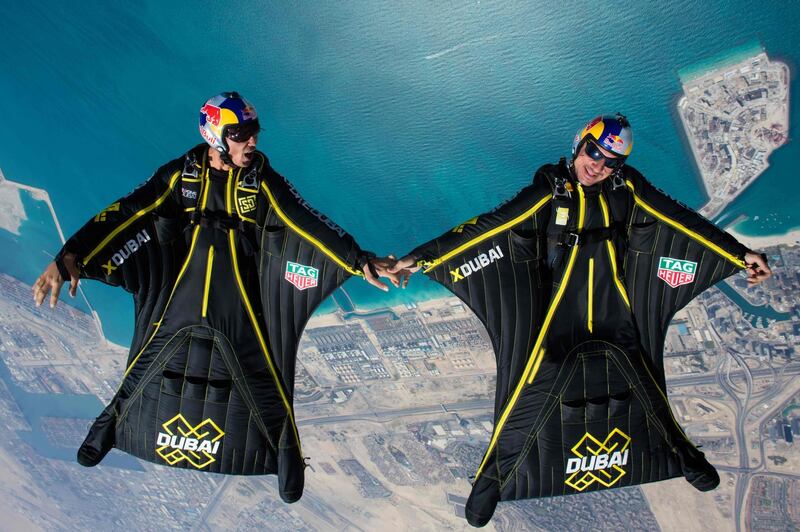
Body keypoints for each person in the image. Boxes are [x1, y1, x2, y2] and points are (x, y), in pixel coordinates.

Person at [389, 114, 771, 527]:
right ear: (579, 144)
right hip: (558, 320)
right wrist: (419, 258)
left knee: (648, 393)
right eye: (595, 152)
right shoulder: (550, 191)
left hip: (615, 314)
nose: (599, 166)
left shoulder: (628, 188)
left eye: (612, 162)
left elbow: (682, 220)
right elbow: (489, 225)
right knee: (525, 403)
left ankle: (688, 460)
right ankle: (491, 484)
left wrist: (739, 253)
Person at [32, 91, 400, 503]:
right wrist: (69, 258)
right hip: (180, 290)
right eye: (241, 134)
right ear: (216, 135)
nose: (253, 142)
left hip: (241, 297)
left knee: (263, 377)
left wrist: (358, 260)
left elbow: (306, 219)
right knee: (146, 364)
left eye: (254, 133)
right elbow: (126, 211)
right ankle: (108, 428)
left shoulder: (260, 180)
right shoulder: (180, 175)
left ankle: (286, 453)